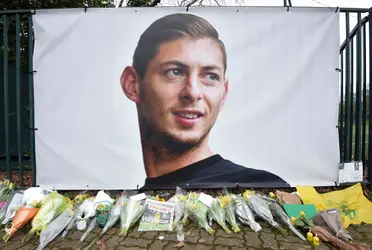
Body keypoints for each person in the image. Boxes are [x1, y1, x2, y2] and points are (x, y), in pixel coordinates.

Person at [120, 13, 289, 189]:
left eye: (210, 76)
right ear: (132, 85)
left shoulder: (267, 188)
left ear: (223, 93)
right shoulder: (121, 204)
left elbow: (306, 216)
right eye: (175, 72)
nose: (193, 92)